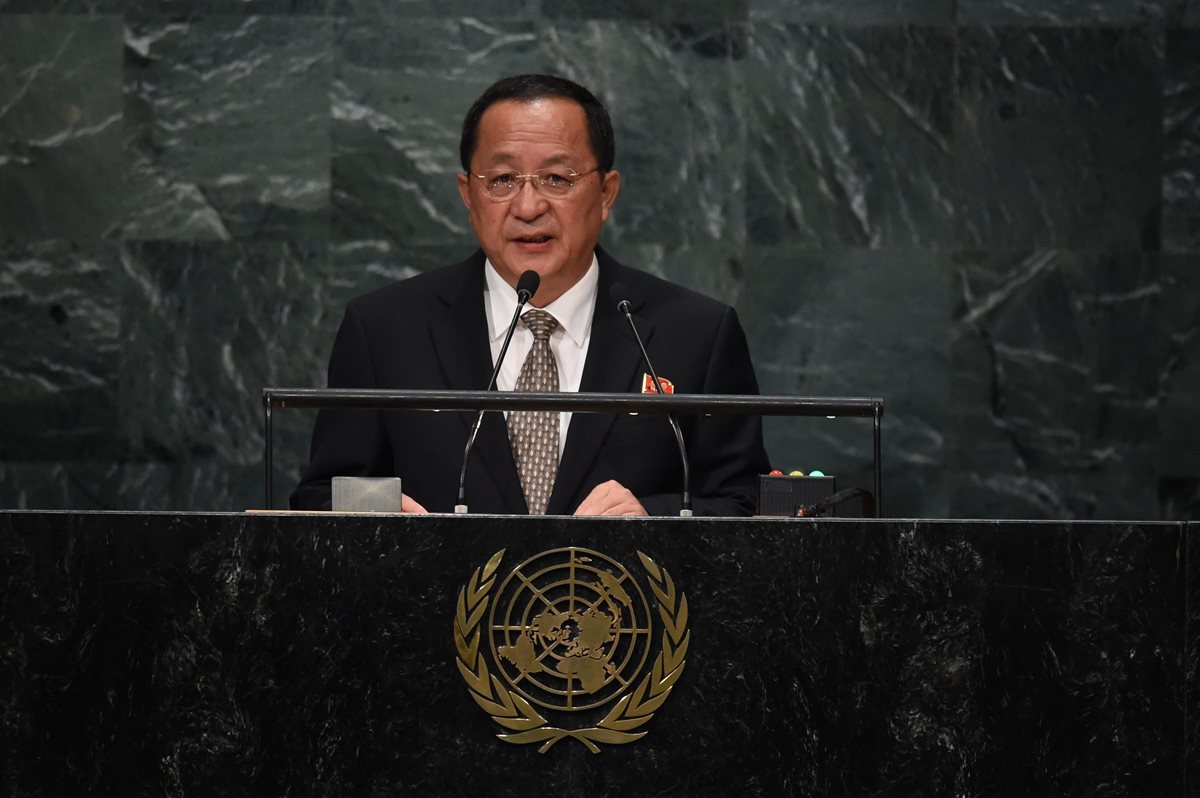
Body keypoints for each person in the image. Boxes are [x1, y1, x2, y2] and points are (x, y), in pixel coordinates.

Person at [291, 74, 769, 516]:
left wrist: (654, 516)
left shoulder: (695, 333)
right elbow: (319, 495)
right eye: (501, 181)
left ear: (606, 193)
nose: (528, 206)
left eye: (557, 179)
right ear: (467, 195)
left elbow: (746, 501)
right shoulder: (385, 329)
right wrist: (376, 510)